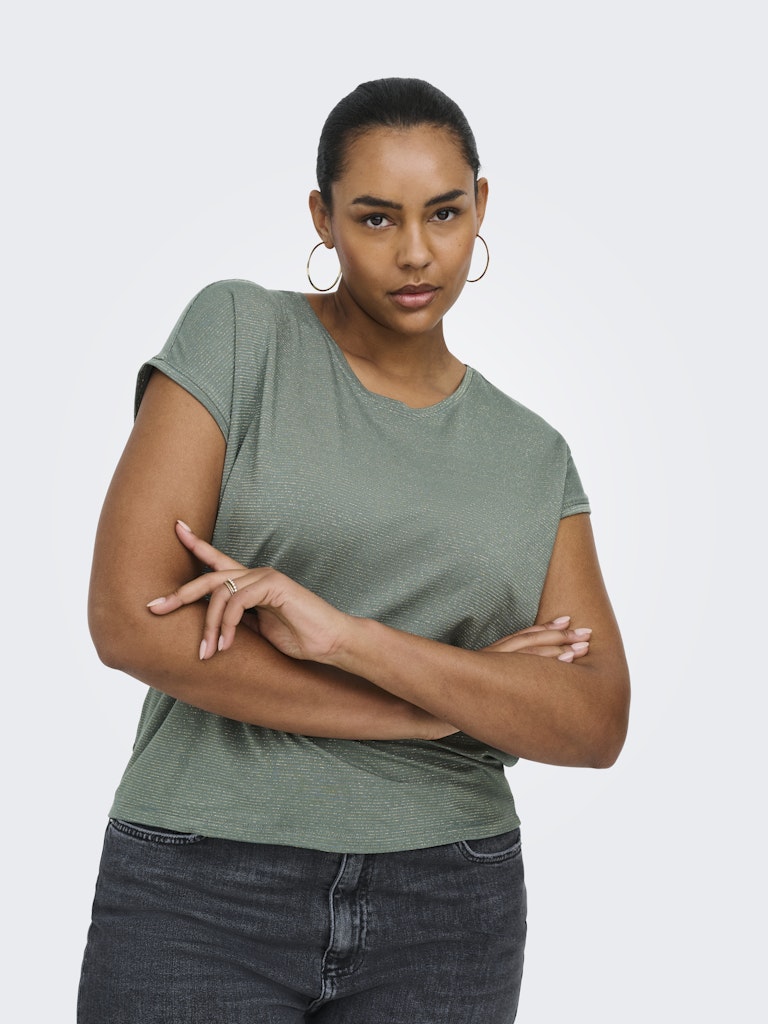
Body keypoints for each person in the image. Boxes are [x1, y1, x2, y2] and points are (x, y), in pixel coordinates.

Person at [78, 77, 630, 1023]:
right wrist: (431, 713)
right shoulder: (241, 336)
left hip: (451, 900)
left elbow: (593, 720)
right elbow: (130, 620)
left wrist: (350, 640)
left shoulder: (533, 456)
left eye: (443, 213)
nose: (415, 252)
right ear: (322, 218)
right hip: (202, 885)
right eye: (375, 218)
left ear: (480, 206)